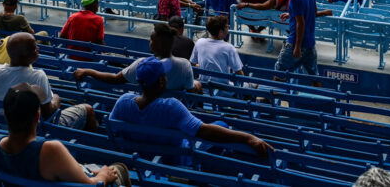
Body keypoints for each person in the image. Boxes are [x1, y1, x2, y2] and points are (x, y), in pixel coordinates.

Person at [108, 58, 272, 157]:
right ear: (161, 82)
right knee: (221, 125)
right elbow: (204, 131)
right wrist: (248, 138)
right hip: (174, 159)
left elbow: (112, 129)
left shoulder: (123, 102)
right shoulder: (171, 107)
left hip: (137, 155)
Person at [0, 85, 129, 186]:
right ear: (38, 116)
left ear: (5, 115)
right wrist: (103, 176)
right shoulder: (50, 150)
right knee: (118, 169)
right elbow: (90, 185)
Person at [0, 33, 96, 130]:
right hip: (36, 130)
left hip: (5, 125)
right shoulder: (37, 76)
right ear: (25, 55)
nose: (38, 48)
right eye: (34, 47)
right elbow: (48, 114)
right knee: (88, 109)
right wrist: (56, 99)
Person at [74, 23, 199, 93]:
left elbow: (115, 79)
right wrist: (197, 84)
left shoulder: (142, 64)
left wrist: (87, 71)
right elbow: (191, 89)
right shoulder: (185, 65)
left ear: (158, 44)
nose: (149, 42)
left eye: (151, 40)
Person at [274, 0, 318, 75]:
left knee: (279, 74)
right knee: (314, 77)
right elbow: (312, 11)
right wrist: (292, 14)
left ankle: (276, 92)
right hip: (310, 44)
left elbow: (301, 23)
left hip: (295, 44)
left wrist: (297, 47)